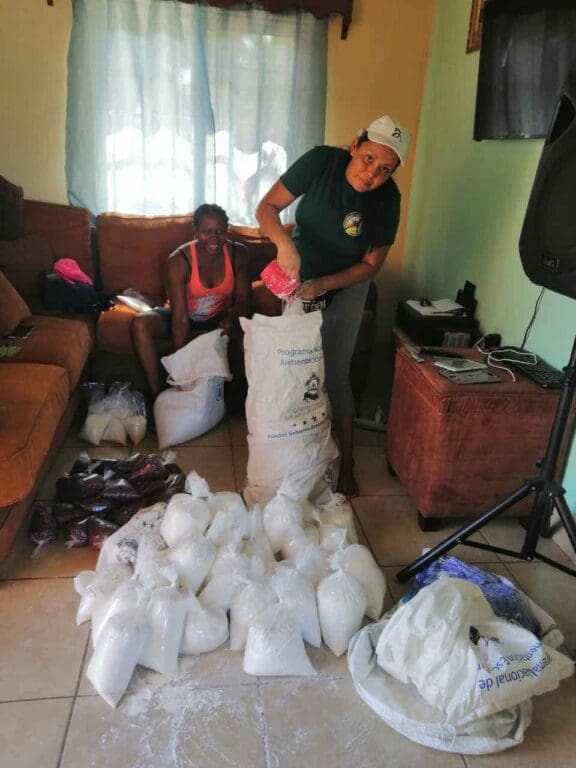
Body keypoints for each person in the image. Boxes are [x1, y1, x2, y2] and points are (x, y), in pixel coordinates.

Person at [256, 115, 410, 498]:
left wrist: (323, 285)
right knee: (295, 367)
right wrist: (285, 246)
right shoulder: (321, 162)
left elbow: (371, 265)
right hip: (299, 273)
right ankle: (297, 454)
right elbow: (267, 208)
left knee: (334, 371)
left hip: (346, 285)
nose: (372, 173)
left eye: (385, 170)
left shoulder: (387, 200)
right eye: (369, 158)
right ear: (355, 146)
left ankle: (346, 463)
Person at [131, 203, 251, 404]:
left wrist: (229, 320)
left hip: (219, 318)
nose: (214, 238)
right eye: (206, 232)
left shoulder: (238, 254)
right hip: (183, 315)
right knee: (139, 325)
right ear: (195, 232)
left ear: (227, 232)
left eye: (220, 232)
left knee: (244, 329)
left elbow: (244, 302)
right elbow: (179, 320)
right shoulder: (179, 261)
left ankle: (234, 397)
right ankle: (157, 397)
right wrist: (183, 375)